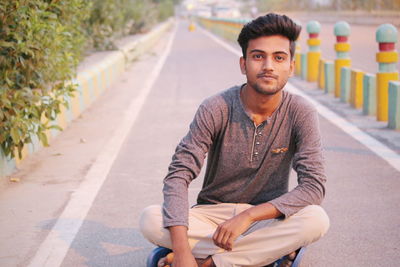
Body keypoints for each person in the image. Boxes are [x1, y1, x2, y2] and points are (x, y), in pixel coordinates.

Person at [140, 13, 330, 267]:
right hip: (211, 217)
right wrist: (183, 251)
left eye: (279, 58)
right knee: (150, 219)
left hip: (264, 217)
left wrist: (249, 216)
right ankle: (261, 255)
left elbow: (313, 187)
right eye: (258, 56)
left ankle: (209, 263)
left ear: (291, 66)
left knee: (316, 219)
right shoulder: (216, 107)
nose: (269, 66)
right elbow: (178, 175)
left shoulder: (300, 112)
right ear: (243, 64)